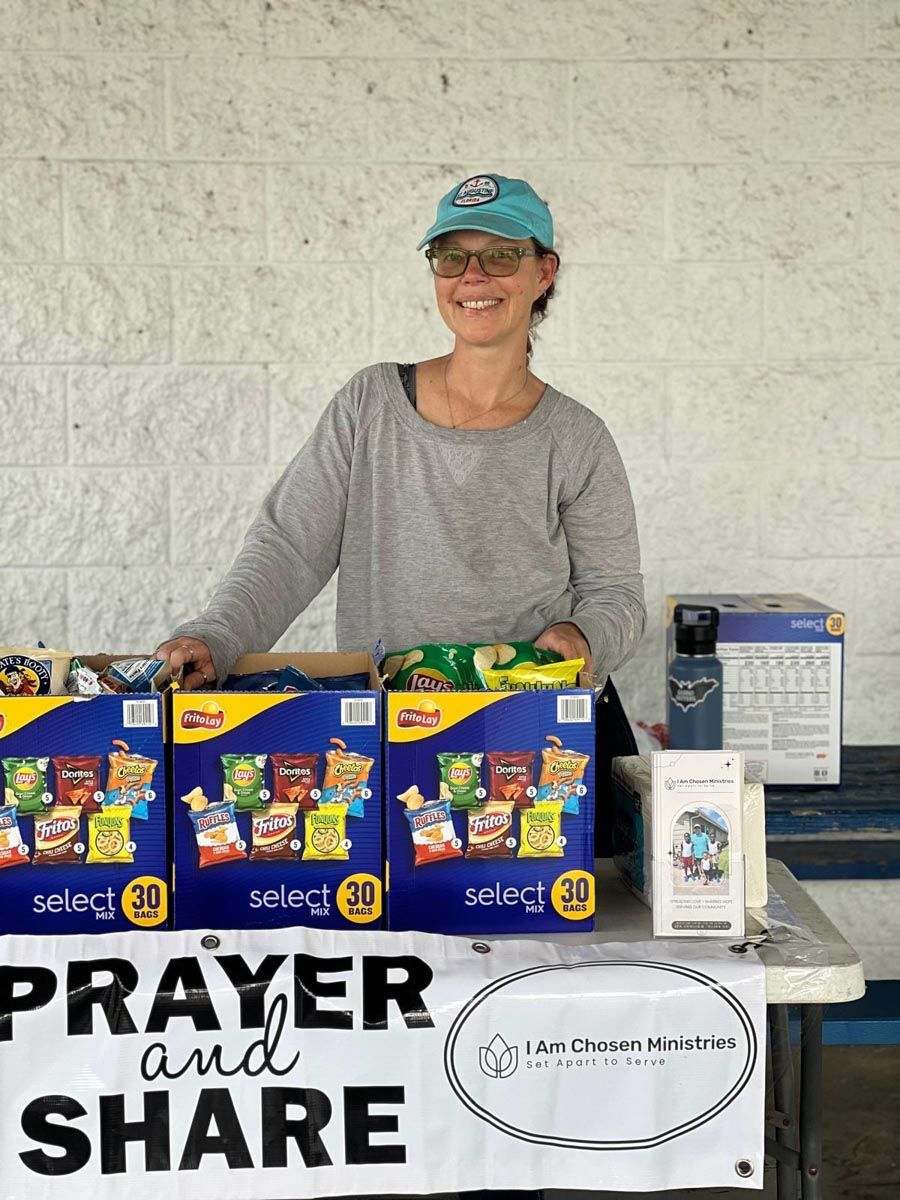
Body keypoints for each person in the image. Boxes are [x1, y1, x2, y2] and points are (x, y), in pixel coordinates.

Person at [157, 170, 646, 814]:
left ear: (543, 273)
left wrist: (581, 636)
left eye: (501, 254)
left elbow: (617, 596)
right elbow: (289, 545)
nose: (473, 275)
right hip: (391, 733)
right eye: (451, 256)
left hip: (539, 741)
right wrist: (216, 636)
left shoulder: (579, 437)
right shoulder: (370, 404)